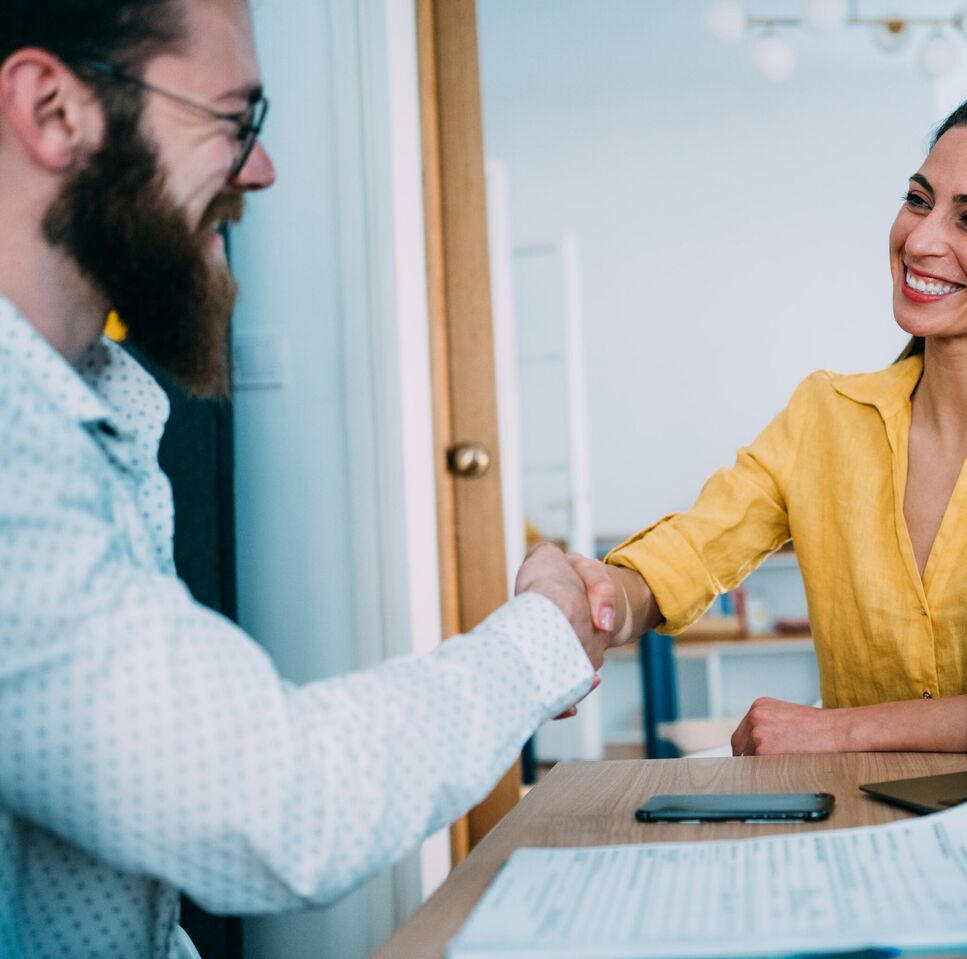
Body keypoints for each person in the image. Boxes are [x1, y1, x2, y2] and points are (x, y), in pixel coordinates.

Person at [0, 2, 608, 957]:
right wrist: (545, 631)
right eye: (232, 119)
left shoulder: (94, 407)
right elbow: (283, 805)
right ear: (52, 109)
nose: (261, 168)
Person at [547, 89, 967, 759]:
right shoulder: (825, 416)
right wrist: (599, 605)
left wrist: (840, 729)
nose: (920, 240)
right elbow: (687, 555)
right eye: (919, 200)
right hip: (870, 823)